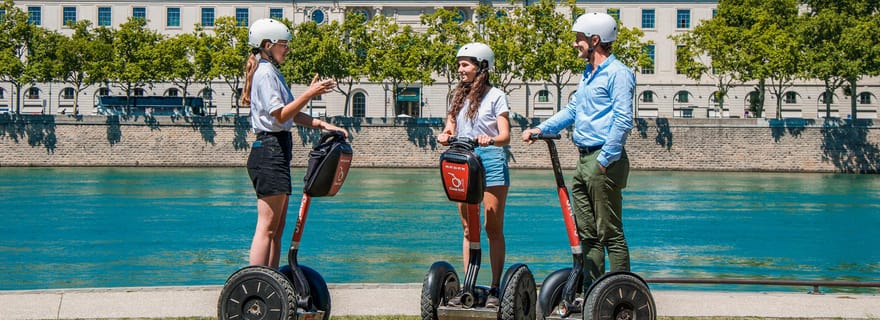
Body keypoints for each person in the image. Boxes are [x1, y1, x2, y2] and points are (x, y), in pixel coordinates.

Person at [521, 12, 636, 291]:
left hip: (603, 159)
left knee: (610, 233)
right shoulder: (587, 74)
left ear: (595, 40)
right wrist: (541, 129)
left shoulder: (619, 74)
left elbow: (623, 120)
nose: (575, 44)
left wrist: (605, 160)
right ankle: (593, 293)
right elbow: (573, 110)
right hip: (584, 158)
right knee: (588, 234)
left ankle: (622, 294)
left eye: (579, 39)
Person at [242, 18, 346, 268]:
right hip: (269, 150)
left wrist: (322, 124)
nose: (287, 49)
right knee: (267, 227)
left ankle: (272, 280)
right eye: (283, 45)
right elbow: (280, 115)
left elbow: (292, 113)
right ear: (267, 44)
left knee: (277, 229)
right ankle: (257, 281)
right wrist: (310, 93)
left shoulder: (272, 71)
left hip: (277, 149)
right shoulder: (265, 73)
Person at [437, 42, 511, 308]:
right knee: (469, 229)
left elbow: (505, 135)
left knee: (492, 229)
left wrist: (489, 139)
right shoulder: (456, 97)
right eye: (459, 64)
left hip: (490, 162)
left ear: (482, 67)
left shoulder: (496, 96)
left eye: (465, 64)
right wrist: (445, 135)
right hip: (464, 161)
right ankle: (467, 287)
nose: (460, 69)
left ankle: (494, 288)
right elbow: (450, 126)